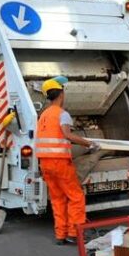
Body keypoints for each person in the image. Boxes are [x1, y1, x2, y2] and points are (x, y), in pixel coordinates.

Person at [35, 76, 98, 245]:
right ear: (61, 94)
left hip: (45, 163)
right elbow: (67, 134)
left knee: (57, 199)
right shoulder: (62, 114)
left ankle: (60, 235)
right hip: (60, 163)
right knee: (76, 197)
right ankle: (74, 233)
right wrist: (89, 143)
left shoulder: (43, 116)